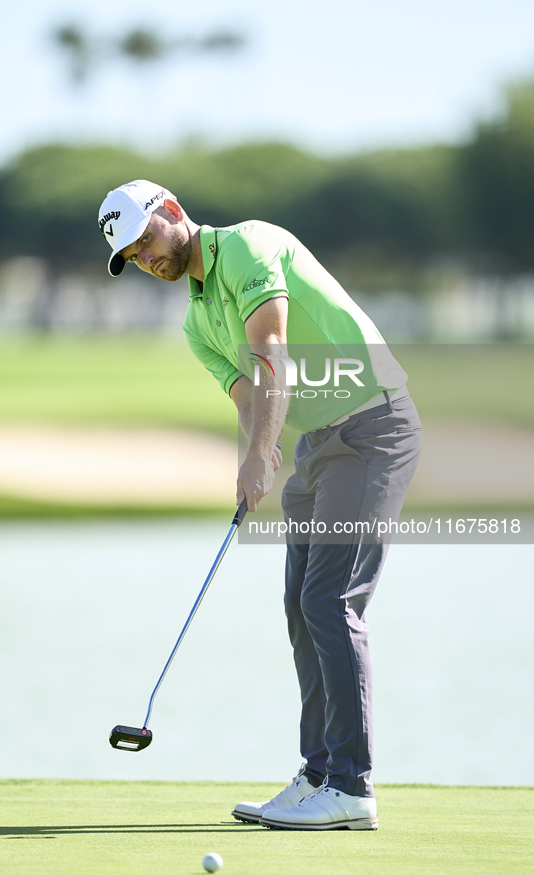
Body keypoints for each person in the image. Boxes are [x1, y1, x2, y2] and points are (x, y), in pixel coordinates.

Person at [98, 179, 422, 831]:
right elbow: (249, 396)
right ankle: (318, 771)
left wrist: (256, 458)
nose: (147, 259)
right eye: (132, 256)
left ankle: (352, 786)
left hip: (373, 424)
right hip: (319, 444)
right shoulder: (196, 321)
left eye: (146, 240)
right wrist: (259, 452)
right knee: (299, 601)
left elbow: (273, 351)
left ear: (172, 214)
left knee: (329, 600)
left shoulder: (248, 245)